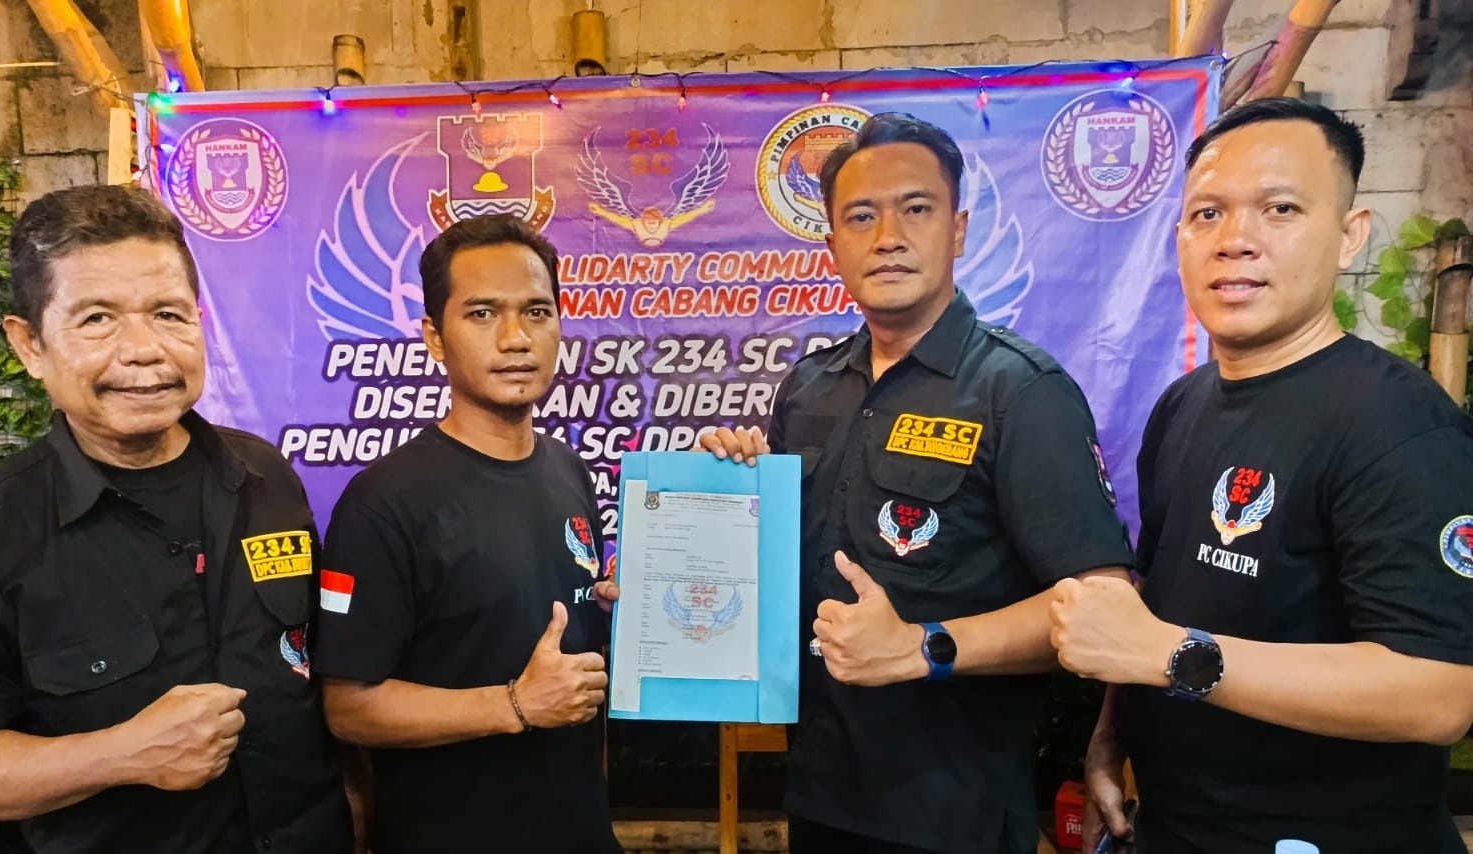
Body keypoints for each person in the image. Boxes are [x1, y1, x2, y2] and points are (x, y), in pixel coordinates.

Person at [700, 113, 1135, 854]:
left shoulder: (1018, 391)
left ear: (958, 231)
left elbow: (1101, 604)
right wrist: (713, 517)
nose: (888, 237)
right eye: (861, 217)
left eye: (916, 209)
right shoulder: (808, 388)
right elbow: (778, 577)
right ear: (832, 244)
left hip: (953, 815)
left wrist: (923, 645)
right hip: (819, 793)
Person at [1049, 97, 1473, 854]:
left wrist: (1173, 656)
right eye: (1207, 214)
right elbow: (1153, 613)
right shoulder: (1183, 406)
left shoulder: (1398, 427)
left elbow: (1441, 694)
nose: (1235, 240)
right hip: (1178, 826)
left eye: (1280, 209)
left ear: (1349, 235)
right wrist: (1112, 734)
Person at [0, 185, 353, 854]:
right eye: (97, 318)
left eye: (167, 314)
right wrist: (122, 754)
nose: (143, 350)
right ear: (29, 344)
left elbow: (310, 674)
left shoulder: (265, 475)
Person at [311, 214, 621, 854]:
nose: (516, 338)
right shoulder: (384, 503)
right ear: (434, 336)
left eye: (536, 312)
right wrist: (514, 705)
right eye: (482, 314)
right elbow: (347, 708)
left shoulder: (569, 470)